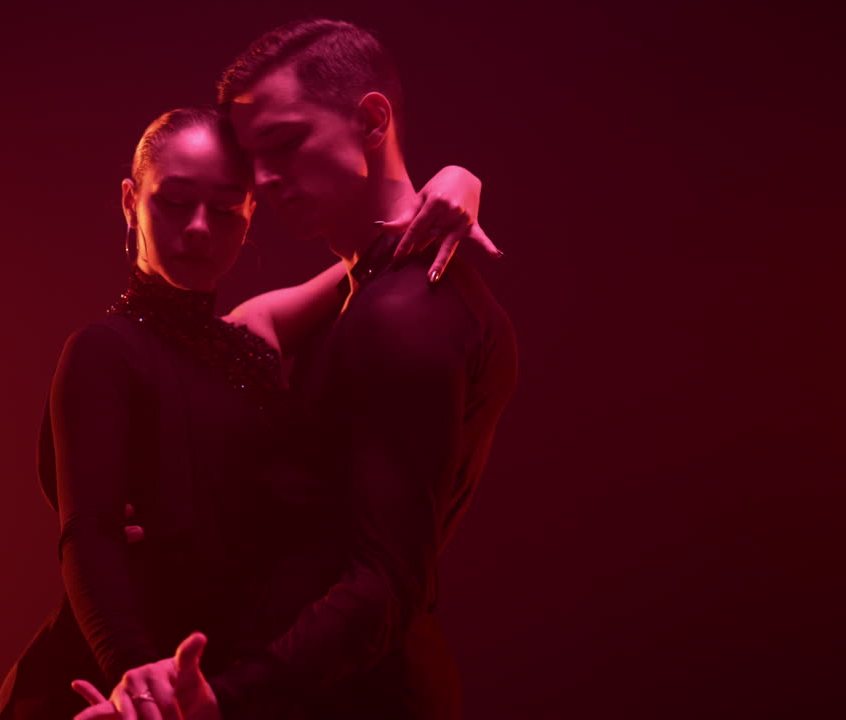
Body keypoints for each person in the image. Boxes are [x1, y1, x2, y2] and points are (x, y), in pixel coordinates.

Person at [76, 19, 519, 720]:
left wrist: (225, 697)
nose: (266, 179)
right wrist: (450, 183)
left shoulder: (402, 313)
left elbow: (386, 579)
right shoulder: (353, 297)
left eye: (286, 143)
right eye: (254, 160)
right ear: (131, 201)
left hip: (343, 692)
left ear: (371, 121)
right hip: (294, 684)